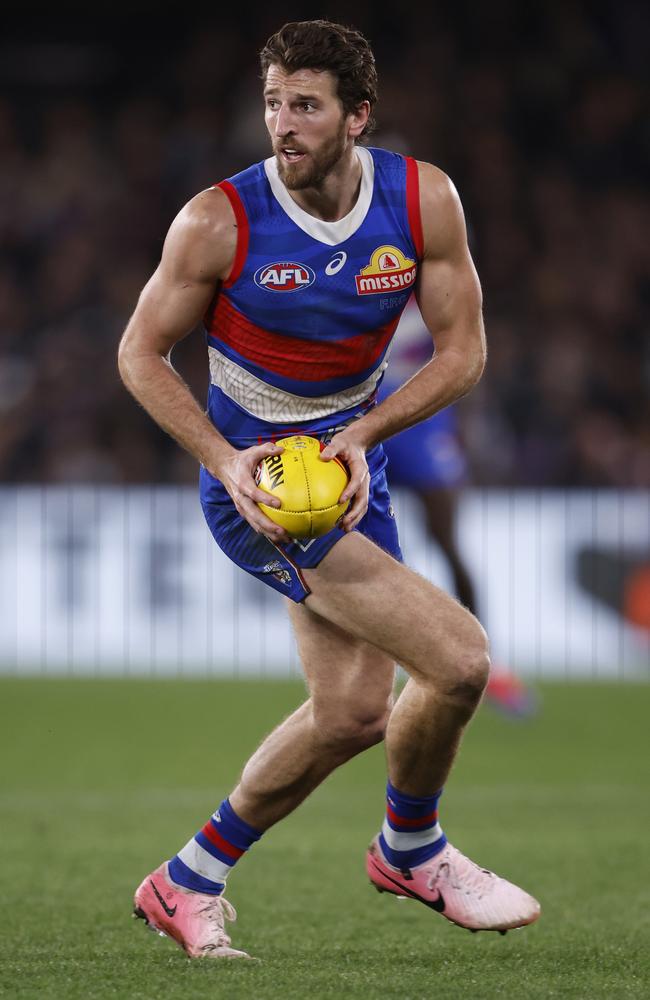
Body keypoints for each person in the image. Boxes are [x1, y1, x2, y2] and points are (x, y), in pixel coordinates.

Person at [118, 19, 540, 960]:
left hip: (352, 460)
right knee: (462, 660)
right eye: (273, 102)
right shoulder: (217, 219)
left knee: (353, 713)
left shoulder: (424, 201)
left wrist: (360, 434)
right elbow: (140, 355)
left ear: (358, 115)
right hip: (262, 484)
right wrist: (226, 462)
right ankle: (412, 848)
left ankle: (183, 880)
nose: (282, 124)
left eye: (304, 105)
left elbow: (465, 352)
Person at [380, 297, 537, 717]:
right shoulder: (357, 258)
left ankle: (487, 661)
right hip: (365, 405)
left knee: (446, 538)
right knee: (363, 544)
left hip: (424, 412)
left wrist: (469, 426)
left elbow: (465, 347)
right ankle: (375, 669)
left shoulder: (430, 271)